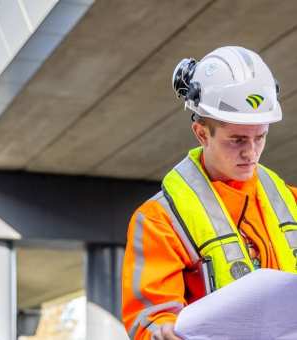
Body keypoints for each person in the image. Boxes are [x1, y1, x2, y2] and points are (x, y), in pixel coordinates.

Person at [121, 46, 297, 340]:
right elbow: (150, 319)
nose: (251, 152)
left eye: (260, 137)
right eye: (237, 140)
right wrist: (161, 331)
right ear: (202, 133)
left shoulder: (291, 201)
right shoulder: (159, 222)